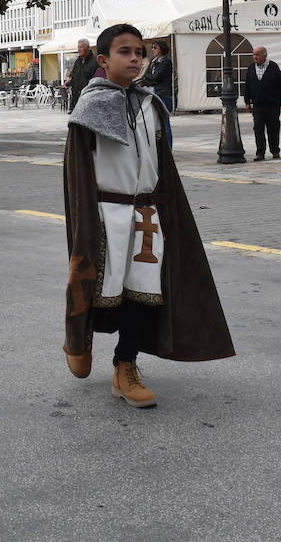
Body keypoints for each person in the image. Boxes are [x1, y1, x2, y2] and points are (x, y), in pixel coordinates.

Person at [62, 23, 234, 407]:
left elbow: (163, 164)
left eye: (139, 51)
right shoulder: (90, 108)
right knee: (101, 291)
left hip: (147, 216)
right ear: (103, 60)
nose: (135, 58)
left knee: (145, 293)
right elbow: (78, 175)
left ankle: (126, 366)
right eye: (125, 51)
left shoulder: (151, 105)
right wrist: (84, 224)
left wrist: (169, 211)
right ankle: (79, 340)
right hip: (106, 215)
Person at [242, 45, 281, 161]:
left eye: (257, 54)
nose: (255, 57)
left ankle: (275, 151)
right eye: (253, 54)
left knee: (273, 129)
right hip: (258, 105)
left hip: (272, 104)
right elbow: (247, 86)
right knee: (258, 129)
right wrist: (247, 102)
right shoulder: (251, 68)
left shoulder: (273, 66)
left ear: (264, 55)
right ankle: (260, 153)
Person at [139, 41, 174, 113]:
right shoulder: (153, 61)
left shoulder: (166, 61)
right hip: (153, 92)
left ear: (161, 49)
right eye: (152, 47)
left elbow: (156, 77)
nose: (152, 49)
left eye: (155, 47)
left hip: (163, 93)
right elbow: (146, 74)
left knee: (163, 118)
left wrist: (149, 78)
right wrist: (149, 79)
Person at [65, 38, 96, 113]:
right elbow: (75, 77)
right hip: (77, 99)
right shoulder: (77, 62)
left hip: (89, 99)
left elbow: (96, 80)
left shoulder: (95, 61)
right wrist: (67, 84)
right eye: (78, 47)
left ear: (88, 48)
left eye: (81, 47)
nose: (79, 49)